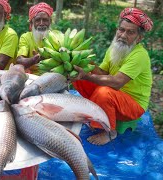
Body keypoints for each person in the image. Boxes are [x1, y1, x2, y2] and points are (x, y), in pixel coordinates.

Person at [71, 7, 153, 145]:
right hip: (116, 95)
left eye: (130, 32)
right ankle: (97, 112)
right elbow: (103, 73)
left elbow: (117, 82)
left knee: (104, 92)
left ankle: (110, 132)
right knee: (77, 77)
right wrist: (87, 64)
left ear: (139, 38)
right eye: (121, 29)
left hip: (133, 104)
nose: (123, 35)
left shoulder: (140, 55)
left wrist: (87, 76)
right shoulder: (115, 47)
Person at [16, 2, 53, 74]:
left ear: (50, 22)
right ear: (31, 23)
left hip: (52, 77)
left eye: (45, 20)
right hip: (31, 78)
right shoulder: (26, 37)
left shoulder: (57, 37)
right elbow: (20, 60)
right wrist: (36, 58)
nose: (41, 23)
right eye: (37, 20)